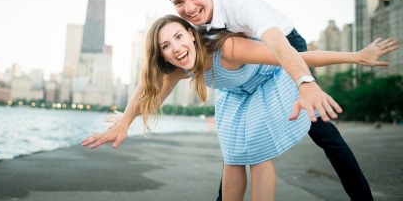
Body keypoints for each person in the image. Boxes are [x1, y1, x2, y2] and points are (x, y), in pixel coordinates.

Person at [82, 15, 399, 201]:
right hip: (241, 93)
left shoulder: (229, 47)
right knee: (233, 151)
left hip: (275, 76)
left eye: (178, 37)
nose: (175, 48)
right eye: (166, 46)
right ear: (162, 55)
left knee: (319, 133)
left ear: (192, 35)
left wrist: (357, 56)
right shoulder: (178, 66)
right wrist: (125, 120)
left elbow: (295, 58)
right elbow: (148, 92)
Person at [158, 0, 372, 200]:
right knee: (235, 139)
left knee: (322, 132)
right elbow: (159, 82)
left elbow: (280, 46)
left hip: (287, 46)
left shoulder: (241, 4)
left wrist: (307, 83)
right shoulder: (189, 27)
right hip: (249, 64)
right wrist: (125, 120)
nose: (189, 7)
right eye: (179, 2)